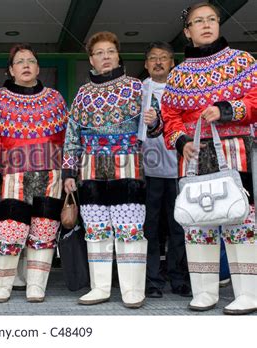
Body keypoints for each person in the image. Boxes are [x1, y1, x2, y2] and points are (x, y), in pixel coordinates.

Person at [161, 2, 257, 314]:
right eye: (198, 22)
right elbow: (169, 117)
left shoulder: (242, 62)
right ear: (187, 32)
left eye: (212, 19)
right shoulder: (177, 75)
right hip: (194, 156)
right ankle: (204, 291)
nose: (206, 25)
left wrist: (226, 109)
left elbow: (255, 99)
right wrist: (181, 141)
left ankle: (248, 293)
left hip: (234, 151)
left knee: (239, 219)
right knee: (196, 223)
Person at [63, 31, 156, 308]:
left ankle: (132, 290)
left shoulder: (137, 87)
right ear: (91, 59)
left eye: (110, 51)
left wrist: (154, 121)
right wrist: (69, 173)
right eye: (99, 52)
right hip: (90, 169)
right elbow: (72, 135)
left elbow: (155, 128)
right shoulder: (82, 94)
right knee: (96, 230)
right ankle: (100, 287)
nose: (106, 56)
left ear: (118, 55)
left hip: (127, 166)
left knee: (130, 229)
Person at [0, 43, 68, 303]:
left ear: (38, 67)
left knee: (44, 230)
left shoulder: (55, 99)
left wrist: (69, 172)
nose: (26, 65)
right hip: (13, 175)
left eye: (31, 60)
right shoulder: (0, 99)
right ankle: (2, 286)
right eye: (20, 61)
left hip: (50, 175)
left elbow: (67, 139)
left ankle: (36, 286)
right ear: (11, 69)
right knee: (9, 230)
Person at [141, 41, 191, 298]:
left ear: (173, 62)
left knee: (179, 227)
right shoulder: (139, 90)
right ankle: (152, 280)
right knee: (149, 228)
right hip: (148, 171)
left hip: (179, 169)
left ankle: (179, 278)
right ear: (146, 64)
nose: (158, 62)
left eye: (163, 58)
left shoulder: (183, 88)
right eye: (153, 58)